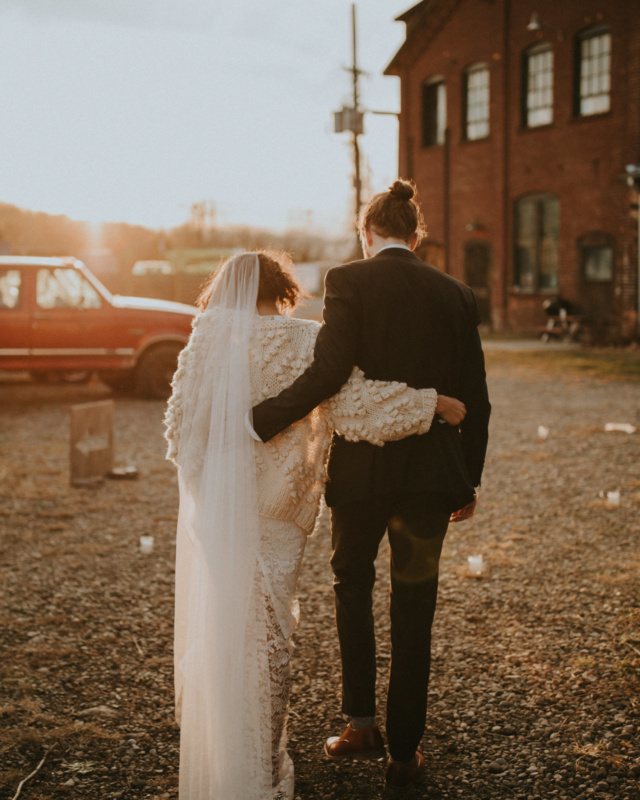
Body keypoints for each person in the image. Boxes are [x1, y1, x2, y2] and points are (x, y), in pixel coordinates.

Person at [163, 250, 466, 800]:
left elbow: (180, 429)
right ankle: (258, 765)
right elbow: (352, 407)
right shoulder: (305, 339)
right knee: (269, 635)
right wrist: (429, 404)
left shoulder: (203, 338)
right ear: (282, 290)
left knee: (225, 625)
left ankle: (229, 756)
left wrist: (215, 485)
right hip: (277, 513)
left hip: (216, 507)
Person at [251, 180, 491, 791]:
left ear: (367, 234)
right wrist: (469, 481)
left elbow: (329, 372)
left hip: (361, 473)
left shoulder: (347, 281)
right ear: (416, 236)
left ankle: (359, 723)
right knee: (416, 609)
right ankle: (405, 755)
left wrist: (260, 420)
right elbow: (478, 399)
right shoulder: (458, 294)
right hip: (433, 476)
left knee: (351, 584)